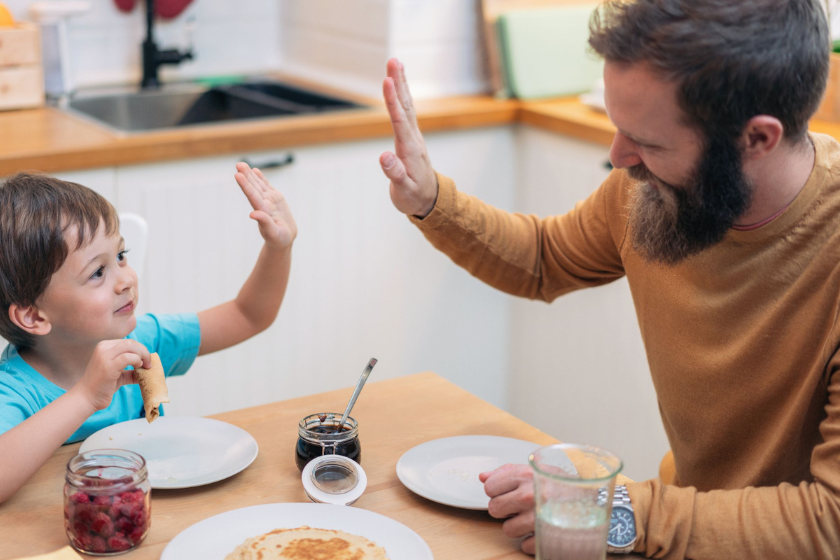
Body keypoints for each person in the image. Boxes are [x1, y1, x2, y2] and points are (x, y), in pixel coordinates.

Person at [378, 0, 840, 558]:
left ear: (757, 138)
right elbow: (545, 258)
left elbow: (828, 521)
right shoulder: (652, 191)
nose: (619, 158)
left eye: (648, 141)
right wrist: (431, 199)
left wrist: (616, 507)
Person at [0, 163, 296, 504]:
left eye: (121, 256)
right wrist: (85, 397)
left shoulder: (140, 341)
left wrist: (278, 249)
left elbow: (248, 315)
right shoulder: (15, 393)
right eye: (97, 272)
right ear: (34, 315)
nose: (126, 279)